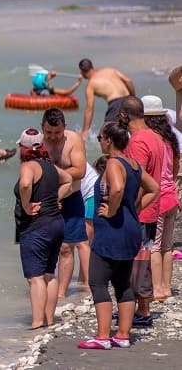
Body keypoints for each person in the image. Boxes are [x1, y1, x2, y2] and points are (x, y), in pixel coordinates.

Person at [78, 121, 159, 350]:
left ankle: (103, 336)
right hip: (130, 228)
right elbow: (154, 188)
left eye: (100, 138)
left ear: (109, 140)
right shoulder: (133, 164)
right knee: (122, 282)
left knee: (98, 280)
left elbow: (116, 189)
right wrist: (135, 208)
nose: (100, 141)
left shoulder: (114, 162)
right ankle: (122, 335)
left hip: (113, 230)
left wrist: (112, 211)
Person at [13, 128, 73, 330]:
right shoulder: (51, 167)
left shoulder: (28, 166)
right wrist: (57, 198)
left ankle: (37, 321)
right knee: (49, 274)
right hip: (56, 223)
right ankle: (48, 320)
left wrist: (26, 204)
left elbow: (25, 185)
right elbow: (69, 180)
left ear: (23, 148)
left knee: (35, 277)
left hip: (36, 226)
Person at [118, 95, 164, 327]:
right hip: (153, 206)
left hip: (140, 209)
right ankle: (141, 308)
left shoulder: (137, 141)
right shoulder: (155, 137)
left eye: (120, 115)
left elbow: (137, 179)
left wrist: (129, 208)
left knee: (136, 260)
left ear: (125, 115)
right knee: (143, 257)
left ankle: (142, 311)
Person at [40, 108, 90, 300]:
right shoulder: (37, 141)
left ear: (64, 128)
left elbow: (80, 170)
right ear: (42, 128)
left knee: (66, 247)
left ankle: (61, 293)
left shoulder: (73, 140)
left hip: (71, 198)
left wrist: (53, 172)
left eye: (57, 133)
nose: (52, 137)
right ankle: (42, 289)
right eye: (48, 132)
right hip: (46, 199)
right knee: (44, 247)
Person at [142, 95, 180, 301]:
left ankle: (156, 289)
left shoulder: (148, 139)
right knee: (167, 246)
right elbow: (175, 170)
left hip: (157, 198)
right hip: (172, 196)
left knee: (154, 247)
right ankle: (166, 288)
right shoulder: (170, 138)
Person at [78, 58, 136, 141]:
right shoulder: (110, 70)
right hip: (129, 100)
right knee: (131, 131)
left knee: (105, 137)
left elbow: (89, 109)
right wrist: (133, 99)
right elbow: (128, 81)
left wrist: (85, 131)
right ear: (92, 67)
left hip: (116, 104)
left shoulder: (91, 84)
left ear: (82, 72)